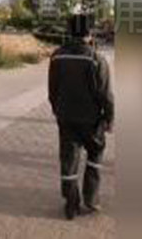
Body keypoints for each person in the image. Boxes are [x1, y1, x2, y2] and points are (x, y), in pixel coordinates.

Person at [48, 14, 114, 220]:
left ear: (69, 32)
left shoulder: (57, 56)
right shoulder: (95, 59)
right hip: (91, 120)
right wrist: (110, 118)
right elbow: (105, 94)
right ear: (89, 33)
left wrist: (58, 111)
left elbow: (52, 90)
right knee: (95, 154)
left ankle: (71, 203)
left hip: (66, 117)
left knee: (68, 160)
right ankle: (91, 200)